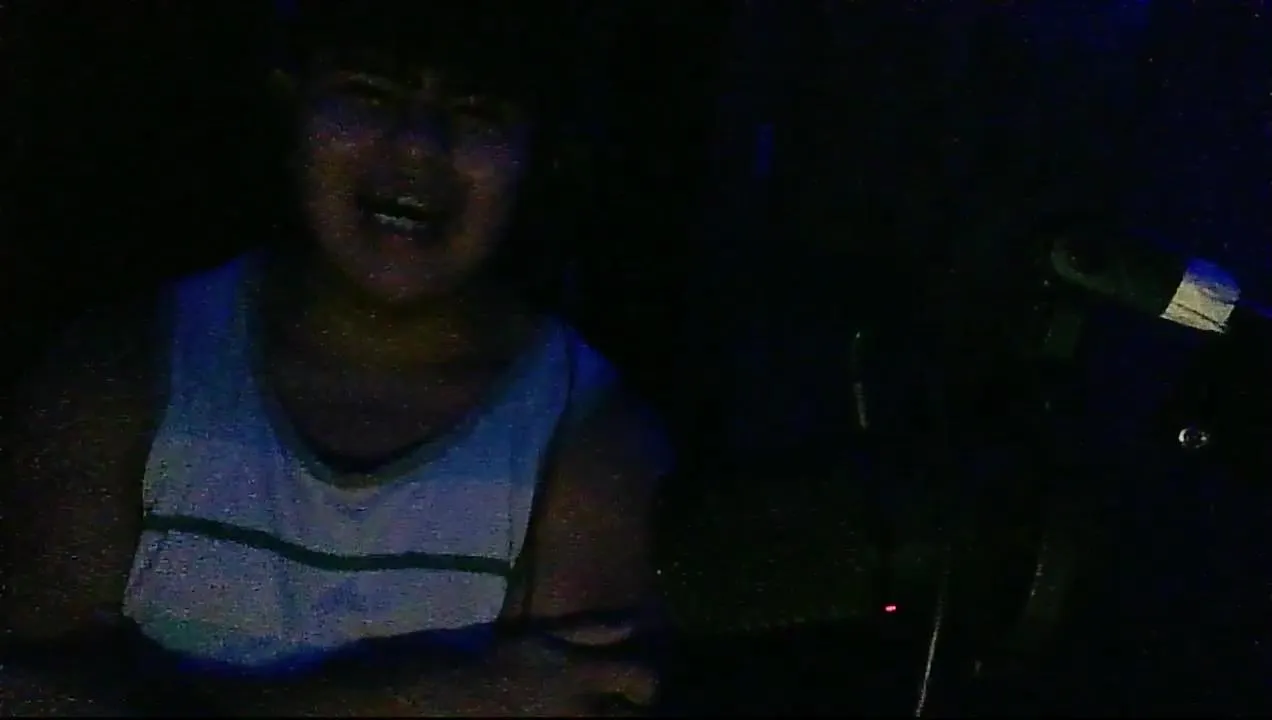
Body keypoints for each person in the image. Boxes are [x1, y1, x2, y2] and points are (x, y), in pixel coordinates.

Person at [1, 3, 671, 715]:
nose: (418, 146)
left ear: (539, 154)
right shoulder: (120, 376)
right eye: (370, 94)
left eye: (477, 112)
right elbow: (29, 693)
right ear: (292, 105)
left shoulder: (585, 432)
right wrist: (423, 697)